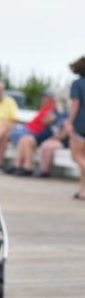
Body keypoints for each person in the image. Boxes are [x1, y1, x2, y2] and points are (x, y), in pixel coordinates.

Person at [8, 90, 58, 175]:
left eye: (45, 97)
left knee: (26, 140)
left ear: (51, 99)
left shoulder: (53, 109)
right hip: (34, 132)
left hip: (40, 134)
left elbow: (46, 121)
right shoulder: (44, 108)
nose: (43, 99)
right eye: (43, 97)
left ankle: (28, 167)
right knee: (23, 139)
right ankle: (17, 165)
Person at [65, 56, 85, 199]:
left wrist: (69, 122)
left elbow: (75, 105)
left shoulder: (77, 84)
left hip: (80, 124)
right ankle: (82, 190)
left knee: (76, 156)